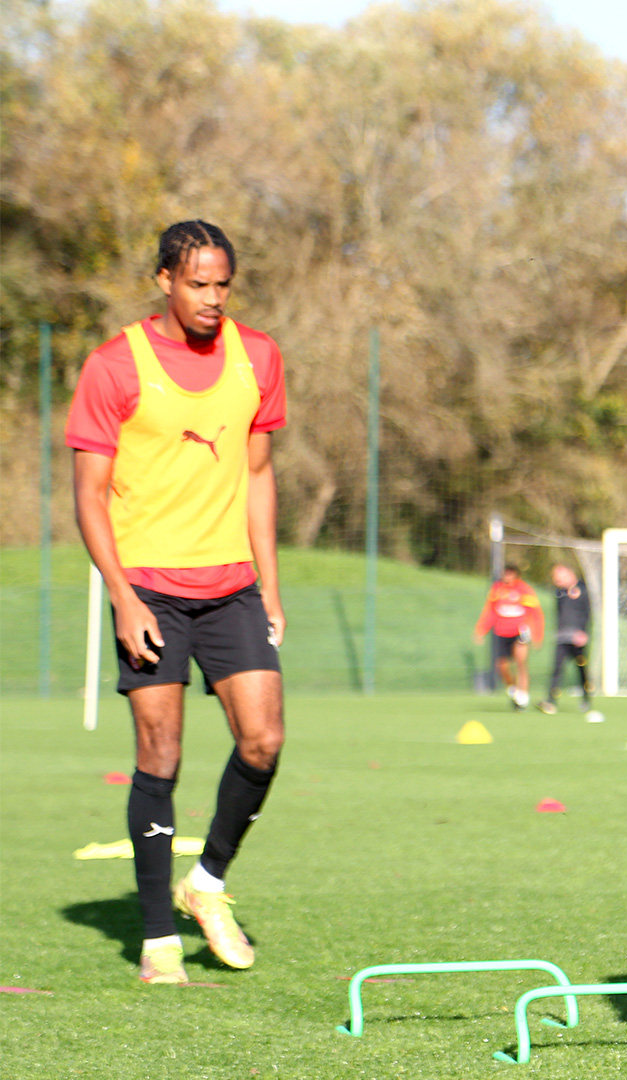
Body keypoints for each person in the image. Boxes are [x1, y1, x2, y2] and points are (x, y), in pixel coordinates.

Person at [66, 220, 288, 985]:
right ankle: (157, 938)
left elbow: (258, 475)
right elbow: (89, 497)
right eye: (198, 283)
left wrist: (271, 586)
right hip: (151, 590)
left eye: (223, 284)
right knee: (159, 754)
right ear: (165, 280)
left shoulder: (257, 356)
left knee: (263, 741)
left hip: (232, 586)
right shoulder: (114, 366)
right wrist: (123, 597)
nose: (213, 299)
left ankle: (208, 885)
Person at [475, 565, 542, 710]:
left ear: (516, 575)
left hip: (519, 632)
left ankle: (523, 695)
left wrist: (537, 635)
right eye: (505, 573)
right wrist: (481, 630)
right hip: (501, 632)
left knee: (521, 663)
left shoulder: (524, 590)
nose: (507, 576)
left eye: (510, 574)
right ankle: (513, 688)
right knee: (502, 666)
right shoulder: (497, 589)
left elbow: (535, 613)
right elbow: (490, 611)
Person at [538, 563, 592, 714]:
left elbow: (587, 613)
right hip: (562, 637)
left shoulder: (583, 590)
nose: (557, 581)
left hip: (577, 638)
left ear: (570, 574)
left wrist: (582, 632)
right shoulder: (560, 593)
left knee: (581, 670)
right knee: (557, 669)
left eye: (560, 577)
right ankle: (550, 701)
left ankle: (586, 699)